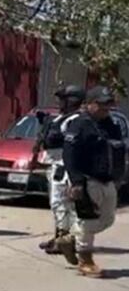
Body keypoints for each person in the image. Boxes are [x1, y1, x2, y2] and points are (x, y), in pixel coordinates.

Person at [58, 86, 126, 278]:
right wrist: (77, 182)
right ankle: (85, 260)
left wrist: (118, 177)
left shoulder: (111, 125)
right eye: (102, 104)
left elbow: (118, 151)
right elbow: (69, 155)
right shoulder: (80, 125)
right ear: (89, 104)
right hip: (88, 180)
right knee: (88, 221)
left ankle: (71, 238)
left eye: (108, 104)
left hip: (108, 180)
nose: (106, 108)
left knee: (108, 219)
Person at [33, 85, 85, 252]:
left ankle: (66, 240)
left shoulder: (74, 120)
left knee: (61, 203)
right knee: (58, 203)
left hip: (63, 166)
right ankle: (60, 237)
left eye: (62, 99)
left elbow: (69, 143)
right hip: (54, 164)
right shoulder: (62, 118)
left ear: (72, 101)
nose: (59, 102)